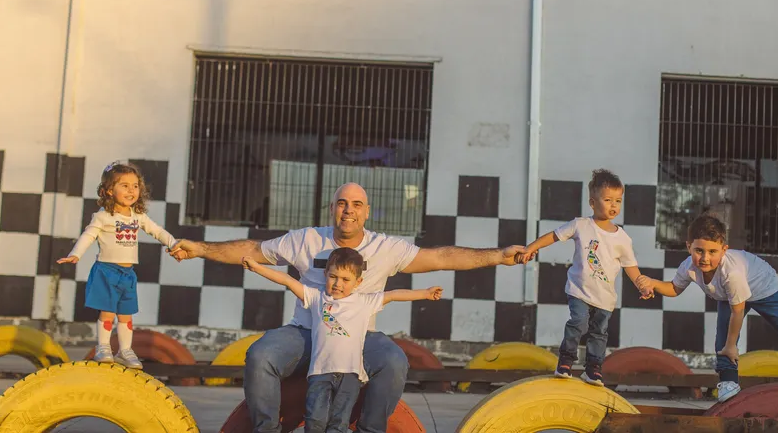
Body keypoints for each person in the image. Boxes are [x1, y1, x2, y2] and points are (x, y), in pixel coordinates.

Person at [167, 182, 526, 433]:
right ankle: (266, 430)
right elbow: (250, 250)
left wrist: (498, 256)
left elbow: (441, 257)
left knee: (394, 361)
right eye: (342, 203)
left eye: (356, 204)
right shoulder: (305, 240)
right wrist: (198, 248)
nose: (348, 210)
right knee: (260, 355)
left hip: (359, 338)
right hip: (305, 334)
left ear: (366, 211)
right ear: (332, 208)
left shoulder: (386, 248)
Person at [636, 213, 778, 402]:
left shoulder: (732, 273)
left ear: (724, 249)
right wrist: (653, 283)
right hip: (730, 296)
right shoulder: (688, 266)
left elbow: (738, 310)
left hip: (764, 288)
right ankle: (729, 381)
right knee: (723, 336)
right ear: (688, 246)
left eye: (712, 251)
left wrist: (732, 346)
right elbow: (674, 288)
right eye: (698, 250)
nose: (705, 258)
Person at [241, 247, 443, 433]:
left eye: (345, 280)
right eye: (333, 277)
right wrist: (257, 267)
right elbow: (287, 281)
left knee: (339, 422)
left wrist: (425, 293)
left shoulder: (365, 301)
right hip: (320, 374)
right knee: (315, 421)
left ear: (358, 282)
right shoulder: (316, 298)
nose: (338, 284)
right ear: (325, 275)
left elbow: (394, 294)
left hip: (350, 376)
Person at [518, 169, 653, 385]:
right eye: (607, 200)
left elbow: (631, 267)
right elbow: (553, 236)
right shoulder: (580, 225)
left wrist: (642, 286)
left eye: (618, 201)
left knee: (599, 333)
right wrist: (530, 248)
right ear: (592, 202)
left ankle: (593, 369)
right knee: (578, 323)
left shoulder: (623, 239)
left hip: (605, 298)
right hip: (579, 290)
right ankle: (566, 360)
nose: (613, 206)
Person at [58, 161, 178, 369]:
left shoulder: (138, 216)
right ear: (109, 191)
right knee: (107, 312)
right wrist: (75, 254)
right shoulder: (103, 216)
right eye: (124, 185)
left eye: (135, 185)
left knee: (126, 314)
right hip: (107, 271)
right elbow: (89, 235)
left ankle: (125, 350)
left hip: (127, 273)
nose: (132, 190)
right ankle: (103, 347)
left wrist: (175, 244)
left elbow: (157, 231)